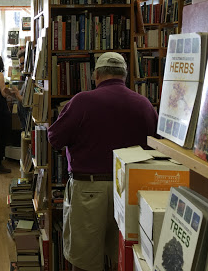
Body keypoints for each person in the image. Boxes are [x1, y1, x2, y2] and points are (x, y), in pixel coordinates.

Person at [47, 52, 158, 271]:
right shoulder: (144, 104)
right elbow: (158, 145)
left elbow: (54, 139)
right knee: (126, 260)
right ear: (124, 75)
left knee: (85, 261)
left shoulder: (83, 101)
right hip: (131, 189)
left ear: (96, 75)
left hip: (88, 189)